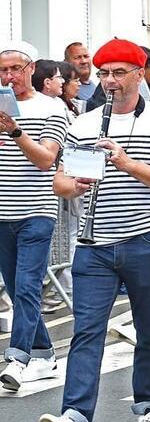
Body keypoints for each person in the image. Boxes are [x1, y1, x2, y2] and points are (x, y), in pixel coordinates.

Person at [42, 38, 150, 422]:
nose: (110, 81)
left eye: (119, 73)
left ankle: (148, 404)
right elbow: (60, 181)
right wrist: (73, 186)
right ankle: (75, 410)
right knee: (86, 331)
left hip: (146, 238)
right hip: (94, 245)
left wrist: (126, 163)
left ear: (139, 75)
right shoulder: (84, 124)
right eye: (105, 74)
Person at [0, 42, 69, 392]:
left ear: (31, 68)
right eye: (3, 70)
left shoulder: (52, 108)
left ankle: (18, 357)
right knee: (15, 287)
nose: (9, 76)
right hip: (2, 212)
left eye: (15, 68)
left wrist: (14, 131)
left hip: (36, 210)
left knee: (28, 285)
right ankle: (44, 351)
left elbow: (45, 160)